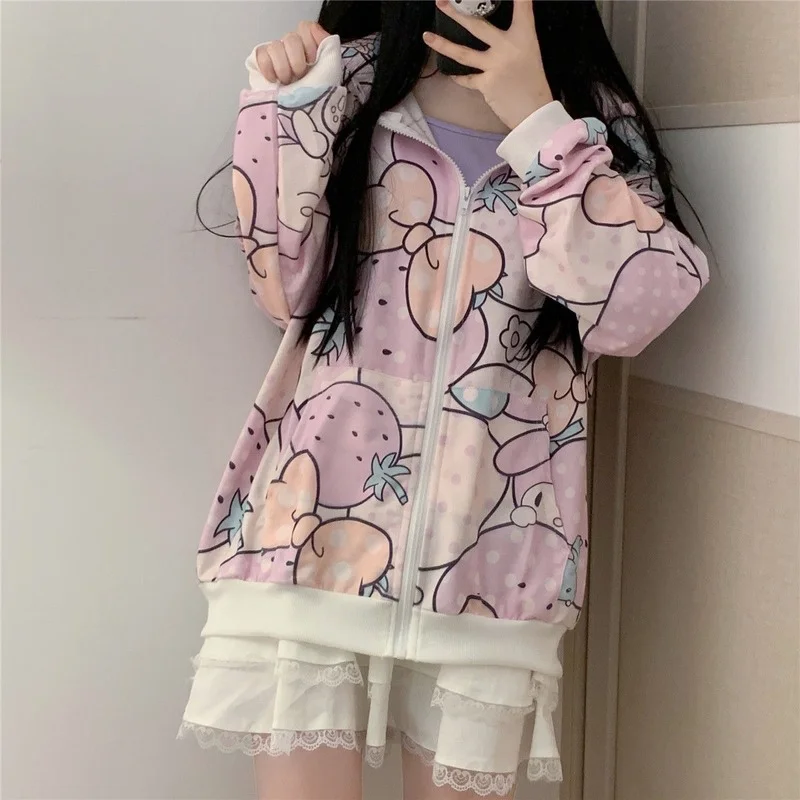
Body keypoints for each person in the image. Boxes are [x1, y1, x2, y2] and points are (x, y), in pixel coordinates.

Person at [180, 1, 709, 797]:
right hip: (308, 537)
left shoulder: (591, 125)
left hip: (493, 569)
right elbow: (283, 284)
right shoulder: (350, 86)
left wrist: (537, 122)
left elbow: (639, 310)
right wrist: (286, 102)